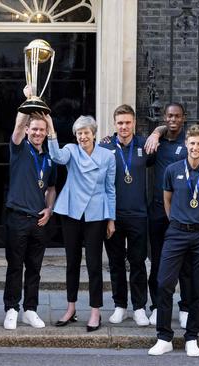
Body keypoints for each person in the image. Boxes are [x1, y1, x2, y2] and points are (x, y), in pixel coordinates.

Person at [147, 125, 199, 357]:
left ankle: (192, 336)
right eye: (192, 143)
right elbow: (167, 200)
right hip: (177, 232)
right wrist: (178, 222)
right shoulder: (172, 170)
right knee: (164, 283)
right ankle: (164, 337)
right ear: (186, 145)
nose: (195, 147)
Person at [44, 114, 116, 332]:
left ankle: (95, 311)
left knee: (94, 264)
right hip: (72, 211)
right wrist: (51, 128)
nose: (83, 136)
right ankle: (71, 307)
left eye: (86, 132)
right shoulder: (71, 151)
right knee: (72, 262)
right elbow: (56, 156)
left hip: (96, 213)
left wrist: (111, 219)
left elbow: (111, 188)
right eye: (79, 133)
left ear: (94, 134)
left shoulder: (107, 156)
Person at [3, 105, 57, 330]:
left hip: (39, 220)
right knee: (15, 266)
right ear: (27, 130)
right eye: (34, 129)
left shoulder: (51, 156)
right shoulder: (19, 148)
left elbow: (51, 187)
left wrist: (49, 208)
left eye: (41, 130)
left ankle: (31, 310)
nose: (37, 133)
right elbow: (16, 126)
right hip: (17, 218)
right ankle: (12, 309)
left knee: (35, 268)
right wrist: (28, 101)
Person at [99, 104, 151, 326]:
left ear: (134, 124)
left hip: (139, 214)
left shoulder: (144, 145)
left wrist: (157, 132)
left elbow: (167, 134)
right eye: (120, 123)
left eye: (128, 122)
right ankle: (120, 305)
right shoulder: (105, 146)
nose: (124, 127)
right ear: (114, 124)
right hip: (113, 216)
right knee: (116, 263)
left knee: (138, 262)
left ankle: (139, 307)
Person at [144, 103, 191, 327]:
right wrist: (156, 132)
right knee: (157, 262)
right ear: (165, 117)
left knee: (184, 263)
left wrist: (158, 129)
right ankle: (156, 306)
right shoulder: (157, 142)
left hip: (182, 213)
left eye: (177, 116)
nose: (173, 119)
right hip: (157, 210)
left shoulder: (189, 142)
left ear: (183, 119)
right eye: (169, 116)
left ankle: (185, 307)